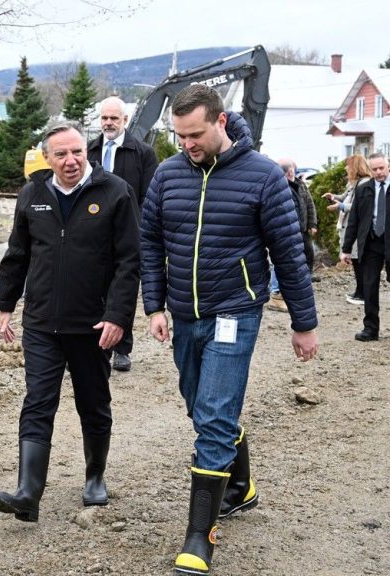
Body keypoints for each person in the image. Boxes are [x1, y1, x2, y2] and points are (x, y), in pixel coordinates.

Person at [140, 85, 319, 575]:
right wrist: (153, 304)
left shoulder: (262, 176)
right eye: (179, 136)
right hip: (184, 313)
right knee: (201, 406)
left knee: (214, 416)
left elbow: (289, 253)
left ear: (220, 122)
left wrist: (304, 323)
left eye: (195, 134)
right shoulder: (167, 174)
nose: (187, 144)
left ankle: (201, 536)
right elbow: (151, 242)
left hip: (236, 312)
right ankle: (240, 487)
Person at [0, 121, 140, 522]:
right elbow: (17, 254)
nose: (71, 160)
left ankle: (95, 476)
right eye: (61, 154)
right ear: (48, 158)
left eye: (77, 151)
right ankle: (28, 492)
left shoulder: (114, 193)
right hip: (41, 323)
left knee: (93, 403)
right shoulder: (33, 194)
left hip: (93, 325)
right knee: (38, 401)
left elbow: (130, 262)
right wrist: (6, 304)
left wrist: (117, 316)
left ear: (86, 151)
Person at [87, 95, 157, 371]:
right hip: (93, 235)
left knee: (123, 289)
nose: (108, 123)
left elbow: (150, 196)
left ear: (125, 120)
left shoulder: (142, 153)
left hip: (128, 234)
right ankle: (94, 344)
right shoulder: (89, 151)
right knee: (92, 290)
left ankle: (122, 348)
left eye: (114, 118)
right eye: (104, 118)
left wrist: (141, 230)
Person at [340, 152, 390, 342]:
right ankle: (370, 328)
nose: (378, 172)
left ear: (388, 166)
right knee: (369, 287)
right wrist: (345, 249)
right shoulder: (364, 189)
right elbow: (354, 220)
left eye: (381, 168)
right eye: (374, 169)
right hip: (371, 243)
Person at [323, 155, 372, 305]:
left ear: (356, 167)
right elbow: (345, 197)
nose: (346, 168)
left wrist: (341, 206)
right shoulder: (353, 183)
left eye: (348, 166)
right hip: (350, 226)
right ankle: (359, 291)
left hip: (359, 228)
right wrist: (333, 197)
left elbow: (358, 206)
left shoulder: (365, 184)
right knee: (355, 260)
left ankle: (363, 293)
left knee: (359, 261)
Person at [278, 158, 318, 275]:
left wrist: (313, 224)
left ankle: (308, 275)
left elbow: (310, 205)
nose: (292, 172)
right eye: (290, 169)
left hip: (303, 229)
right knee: (291, 257)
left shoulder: (301, 184)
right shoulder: (281, 186)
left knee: (309, 252)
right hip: (289, 231)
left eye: (292, 169)